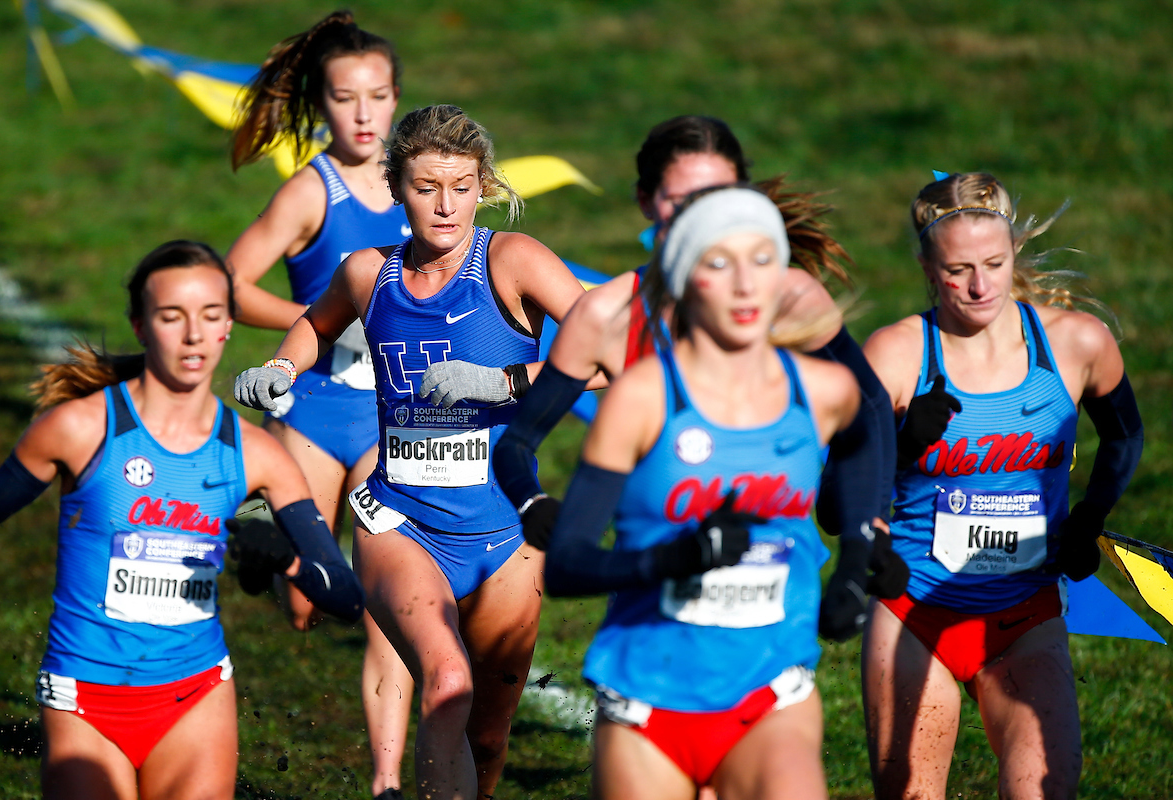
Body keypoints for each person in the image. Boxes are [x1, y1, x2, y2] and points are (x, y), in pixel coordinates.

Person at [233, 105, 596, 800]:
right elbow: (315, 324)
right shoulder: (369, 273)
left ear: (482, 186)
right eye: (427, 186)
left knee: (488, 737)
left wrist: (498, 382)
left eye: (461, 186)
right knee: (446, 682)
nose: (446, 204)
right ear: (396, 186)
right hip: (398, 518)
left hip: (505, 532)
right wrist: (282, 370)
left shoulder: (514, 262)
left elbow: (600, 359)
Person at [0, 241, 364, 799]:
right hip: (84, 699)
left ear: (228, 325)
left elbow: (345, 599)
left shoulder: (257, 454)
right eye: (171, 316)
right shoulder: (78, 430)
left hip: (197, 698)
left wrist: (283, 557)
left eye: (209, 316)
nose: (193, 335)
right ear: (139, 325)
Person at [493, 115, 906, 639]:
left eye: (719, 196)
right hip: (658, 611)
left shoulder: (789, 300)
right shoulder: (607, 317)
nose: (705, 216)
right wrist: (532, 502)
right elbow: (519, 441)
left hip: (778, 616)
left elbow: (869, 415)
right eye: (682, 199)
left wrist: (860, 542)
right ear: (646, 201)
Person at [544, 186, 861, 799]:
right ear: (686, 280)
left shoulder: (826, 393)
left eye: (762, 260)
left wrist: (859, 547)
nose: (746, 284)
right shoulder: (640, 398)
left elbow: (869, 441)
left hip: (770, 694)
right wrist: (673, 560)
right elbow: (567, 565)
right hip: (647, 705)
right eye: (719, 263)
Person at [861, 172, 1144, 800]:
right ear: (928, 268)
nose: (981, 285)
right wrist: (877, 525)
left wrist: (1089, 518)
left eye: (995, 262)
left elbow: (1125, 437)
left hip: (1025, 612)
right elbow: (840, 485)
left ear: (1014, 251)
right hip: (915, 612)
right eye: (959, 269)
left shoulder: (1075, 344)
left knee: (1048, 786)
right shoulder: (897, 354)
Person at [227, 13, 414, 797]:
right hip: (311, 408)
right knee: (305, 604)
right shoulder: (312, 191)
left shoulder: (423, 184)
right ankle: (262, 556)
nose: (365, 114)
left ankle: (386, 781)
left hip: (391, 420)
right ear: (323, 105)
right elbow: (231, 283)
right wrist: (318, 325)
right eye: (346, 98)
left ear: (397, 98)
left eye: (378, 96)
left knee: (388, 601)